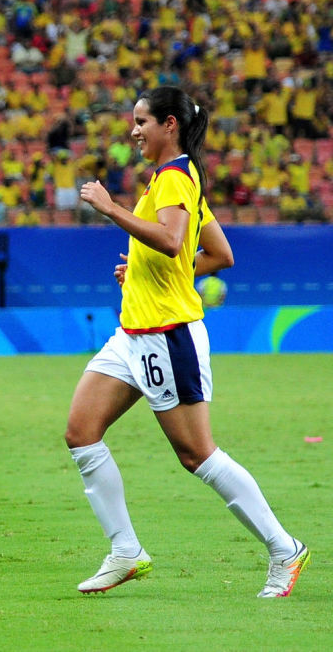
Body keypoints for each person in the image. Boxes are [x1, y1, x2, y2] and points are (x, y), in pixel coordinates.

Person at [67, 86, 308, 598]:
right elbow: (217, 254)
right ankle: (125, 551)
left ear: (169, 124)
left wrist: (111, 209)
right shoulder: (177, 178)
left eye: (141, 121)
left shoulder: (175, 177)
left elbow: (174, 241)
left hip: (166, 337)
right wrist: (143, 272)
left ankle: (284, 548)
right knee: (81, 432)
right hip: (132, 333)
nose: (133, 131)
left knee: (197, 454)